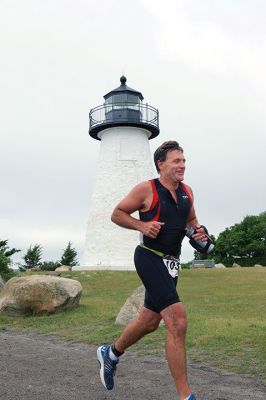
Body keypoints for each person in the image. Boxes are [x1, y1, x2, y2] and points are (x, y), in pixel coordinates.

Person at [97, 140, 209, 400]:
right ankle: (186, 396)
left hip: (171, 263)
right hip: (148, 257)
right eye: (176, 161)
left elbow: (190, 220)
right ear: (161, 164)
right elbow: (117, 213)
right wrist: (142, 226)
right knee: (177, 321)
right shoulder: (146, 189)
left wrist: (197, 232)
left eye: (183, 160)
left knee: (149, 322)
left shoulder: (187, 192)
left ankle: (111, 353)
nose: (182, 165)